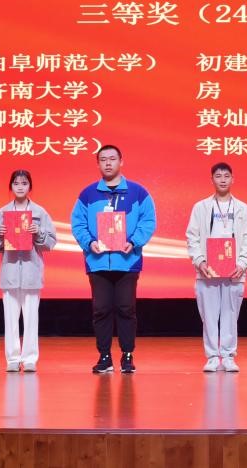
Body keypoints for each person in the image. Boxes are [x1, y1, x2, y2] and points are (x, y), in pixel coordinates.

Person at [71, 144, 156, 374]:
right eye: (103, 159)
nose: (108, 163)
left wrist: (134, 242)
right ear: (98, 164)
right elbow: (78, 223)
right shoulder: (88, 194)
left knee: (126, 309)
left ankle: (127, 355)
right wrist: (89, 243)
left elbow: (148, 221)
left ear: (121, 161)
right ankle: (104, 356)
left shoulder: (138, 192)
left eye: (112, 159)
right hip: (97, 261)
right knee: (101, 309)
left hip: (127, 261)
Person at [185, 162, 247, 372]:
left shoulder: (243, 209)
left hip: (234, 272)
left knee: (230, 315)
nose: (223, 180)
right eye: (218, 176)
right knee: (209, 316)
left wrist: (242, 263)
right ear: (212, 180)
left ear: (233, 179)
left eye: (226, 176)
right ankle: (211, 356)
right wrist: (200, 261)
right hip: (207, 271)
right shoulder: (201, 207)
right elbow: (192, 237)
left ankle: (228, 356)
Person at [0, 169, 57, 372]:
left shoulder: (39, 213)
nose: (20, 187)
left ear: (30, 187)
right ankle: (12, 358)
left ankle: (29, 359)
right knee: (10, 319)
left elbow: (51, 242)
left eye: (24, 183)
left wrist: (39, 233)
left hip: (31, 272)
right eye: (16, 183)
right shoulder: (2, 214)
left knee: (31, 318)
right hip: (9, 272)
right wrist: (0, 236)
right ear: (11, 186)